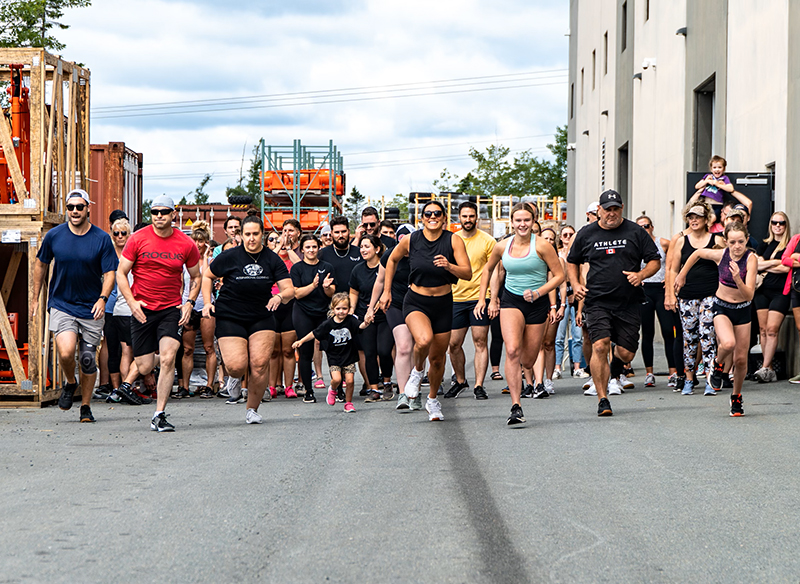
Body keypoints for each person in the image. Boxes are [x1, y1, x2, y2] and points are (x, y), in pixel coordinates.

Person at [567, 190, 661, 417]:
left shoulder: (635, 231)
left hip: (628, 301)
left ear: (622, 208)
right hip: (597, 299)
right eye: (607, 209)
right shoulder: (586, 233)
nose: (611, 213)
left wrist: (641, 275)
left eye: (615, 209)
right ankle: (602, 399)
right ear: (599, 210)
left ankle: (617, 367)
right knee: (600, 345)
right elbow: (572, 261)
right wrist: (576, 284)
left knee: (627, 353)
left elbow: (654, 261)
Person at [31, 189, 119, 423]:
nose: (75, 211)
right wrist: (35, 298)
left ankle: (86, 407)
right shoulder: (54, 236)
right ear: (66, 210)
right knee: (67, 351)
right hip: (62, 303)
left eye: (79, 207)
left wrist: (103, 298)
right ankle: (71, 382)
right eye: (71, 207)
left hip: (91, 307)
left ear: (88, 207)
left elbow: (110, 273)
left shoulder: (101, 239)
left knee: (88, 359)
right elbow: (40, 264)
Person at [116, 195, 201, 432]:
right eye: (155, 212)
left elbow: (196, 277)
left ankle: (159, 413)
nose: (159, 216)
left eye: (164, 212)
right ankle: (153, 364)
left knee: (167, 357)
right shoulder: (137, 239)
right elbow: (121, 273)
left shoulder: (186, 243)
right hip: (142, 309)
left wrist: (189, 303)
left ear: (174, 214)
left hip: (170, 310)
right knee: (143, 367)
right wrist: (131, 303)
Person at [381, 200, 471, 421]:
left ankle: (432, 400)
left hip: (443, 303)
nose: (433, 217)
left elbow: (467, 273)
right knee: (423, 340)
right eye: (428, 213)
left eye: (437, 213)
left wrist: (449, 266)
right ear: (421, 218)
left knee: (439, 358)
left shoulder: (453, 240)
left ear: (444, 218)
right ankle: (417, 371)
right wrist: (386, 291)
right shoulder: (412, 240)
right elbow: (391, 259)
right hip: (416, 301)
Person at [475, 203, 564, 424]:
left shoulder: (543, 246)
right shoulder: (502, 246)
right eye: (518, 220)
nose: (522, 224)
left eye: (526, 220)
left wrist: (539, 292)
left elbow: (559, 275)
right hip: (511, 301)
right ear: (511, 222)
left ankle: (528, 375)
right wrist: (486, 299)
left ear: (533, 221)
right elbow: (488, 269)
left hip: (537, 303)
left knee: (528, 358)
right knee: (512, 350)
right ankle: (516, 406)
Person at [202, 214, 294, 423]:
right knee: (236, 366)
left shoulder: (272, 259)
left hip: (261, 315)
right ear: (240, 236)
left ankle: (252, 409)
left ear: (262, 235)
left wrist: (279, 296)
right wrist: (208, 302)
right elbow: (207, 276)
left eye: (255, 234)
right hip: (230, 315)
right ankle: (235, 378)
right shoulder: (230, 256)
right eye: (247, 234)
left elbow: (289, 289)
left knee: (260, 364)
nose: (251, 238)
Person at [676, 222, 757, 415]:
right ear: (726, 242)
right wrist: (682, 274)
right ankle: (717, 365)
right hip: (721, 306)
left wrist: (738, 278)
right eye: (732, 242)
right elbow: (696, 254)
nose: (737, 246)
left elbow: (749, 296)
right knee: (728, 343)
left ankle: (736, 397)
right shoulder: (721, 255)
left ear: (746, 239)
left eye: (741, 241)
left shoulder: (751, 259)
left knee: (740, 360)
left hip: (743, 309)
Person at [665, 202, 723, 395]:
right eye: (691, 217)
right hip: (687, 296)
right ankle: (689, 378)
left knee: (708, 337)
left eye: (698, 216)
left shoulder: (716, 239)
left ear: (706, 219)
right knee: (689, 338)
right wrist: (671, 294)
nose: (694, 220)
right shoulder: (682, 241)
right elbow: (673, 269)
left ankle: (709, 379)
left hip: (710, 295)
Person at [445, 202, 496, 400]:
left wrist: (492, 299)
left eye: (471, 216)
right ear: (459, 218)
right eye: (464, 216)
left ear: (477, 217)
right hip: (455, 298)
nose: (468, 220)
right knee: (453, 344)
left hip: (479, 298)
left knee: (480, 341)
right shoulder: (451, 240)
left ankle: (479, 385)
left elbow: (493, 271)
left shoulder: (487, 241)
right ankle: (460, 381)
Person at [367, 224, 419, 410]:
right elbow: (379, 281)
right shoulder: (389, 256)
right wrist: (371, 308)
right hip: (395, 305)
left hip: (418, 305)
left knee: (417, 347)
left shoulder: (420, 256)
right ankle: (403, 393)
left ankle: (415, 390)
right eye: (401, 241)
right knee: (403, 347)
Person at [293, 293, 365, 413]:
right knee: (337, 379)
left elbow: (360, 326)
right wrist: (301, 341)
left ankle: (348, 403)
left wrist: (366, 322)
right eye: (338, 309)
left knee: (350, 381)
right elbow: (314, 333)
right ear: (333, 309)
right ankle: (332, 389)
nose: (341, 312)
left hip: (349, 355)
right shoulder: (328, 324)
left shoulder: (351, 320)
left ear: (349, 309)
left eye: (344, 309)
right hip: (335, 356)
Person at [291, 234, 335, 404]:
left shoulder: (327, 266)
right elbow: (296, 294)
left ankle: (336, 388)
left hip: (323, 312)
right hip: (303, 312)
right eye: (307, 247)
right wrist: (313, 285)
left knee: (331, 349)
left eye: (314, 247)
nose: (311, 250)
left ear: (319, 248)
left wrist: (325, 287)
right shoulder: (297, 269)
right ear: (302, 250)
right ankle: (308, 391)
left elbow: (332, 293)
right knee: (305, 350)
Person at [636, 215, 677, 387]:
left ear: (652, 227)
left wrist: (669, 279)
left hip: (660, 289)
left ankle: (673, 371)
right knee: (647, 332)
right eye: (640, 227)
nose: (644, 229)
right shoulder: (634, 245)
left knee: (668, 330)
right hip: (645, 289)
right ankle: (649, 372)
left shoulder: (664, 243)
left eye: (646, 226)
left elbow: (675, 260)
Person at [177, 222, 217, 399]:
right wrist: (182, 304)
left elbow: (210, 277)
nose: (198, 244)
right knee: (187, 349)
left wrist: (208, 257)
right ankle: (184, 387)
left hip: (206, 306)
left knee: (209, 347)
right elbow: (181, 284)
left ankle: (209, 385)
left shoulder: (210, 261)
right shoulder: (184, 260)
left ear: (206, 242)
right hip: (189, 305)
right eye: (195, 240)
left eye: (201, 241)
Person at [350, 234, 393, 402]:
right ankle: (374, 389)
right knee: (369, 352)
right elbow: (354, 291)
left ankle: (387, 382)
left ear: (377, 249)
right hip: (365, 315)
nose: (363, 250)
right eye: (361, 247)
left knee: (383, 350)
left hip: (385, 314)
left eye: (367, 246)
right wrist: (352, 310)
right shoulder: (357, 270)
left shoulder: (387, 267)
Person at [753, 212, 792, 382]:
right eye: (774, 222)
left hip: (780, 292)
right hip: (762, 290)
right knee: (762, 329)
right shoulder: (764, 244)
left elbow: (786, 268)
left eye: (781, 223)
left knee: (771, 330)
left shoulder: (790, 245)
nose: (778, 226)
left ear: (786, 225)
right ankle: (767, 369)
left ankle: (764, 367)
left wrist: (766, 266)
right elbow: (756, 265)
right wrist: (776, 263)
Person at [530, 226, 566, 398]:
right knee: (533, 344)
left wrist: (561, 305)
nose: (549, 241)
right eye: (546, 238)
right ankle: (532, 381)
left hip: (552, 302)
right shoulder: (533, 256)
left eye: (552, 238)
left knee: (548, 342)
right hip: (534, 301)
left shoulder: (558, 260)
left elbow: (561, 284)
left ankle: (548, 379)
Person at [553, 225, 587, 379]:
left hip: (577, 294)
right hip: (562, 297)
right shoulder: (557, 256)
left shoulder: (580, 255)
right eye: (565, 235)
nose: (567, 237)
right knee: (559, 335)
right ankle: (557, 367)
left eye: (571, 235)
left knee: (577, 334)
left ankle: (577, 367)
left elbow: (582, 277)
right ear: (560, 237)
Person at [319, 216, 363, 294]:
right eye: (337, 232)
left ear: (349, 231)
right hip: (331, 303)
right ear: (332, 233)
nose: (341, 235)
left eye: (343, 231)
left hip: (356, 301)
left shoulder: (359, 252)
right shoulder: (322, 254)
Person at [780, 229, 800, 383]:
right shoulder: (796, 238)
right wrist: (793, 258)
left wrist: (796, 257)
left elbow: (791, 258)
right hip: (796, 288)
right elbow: (784, 259)